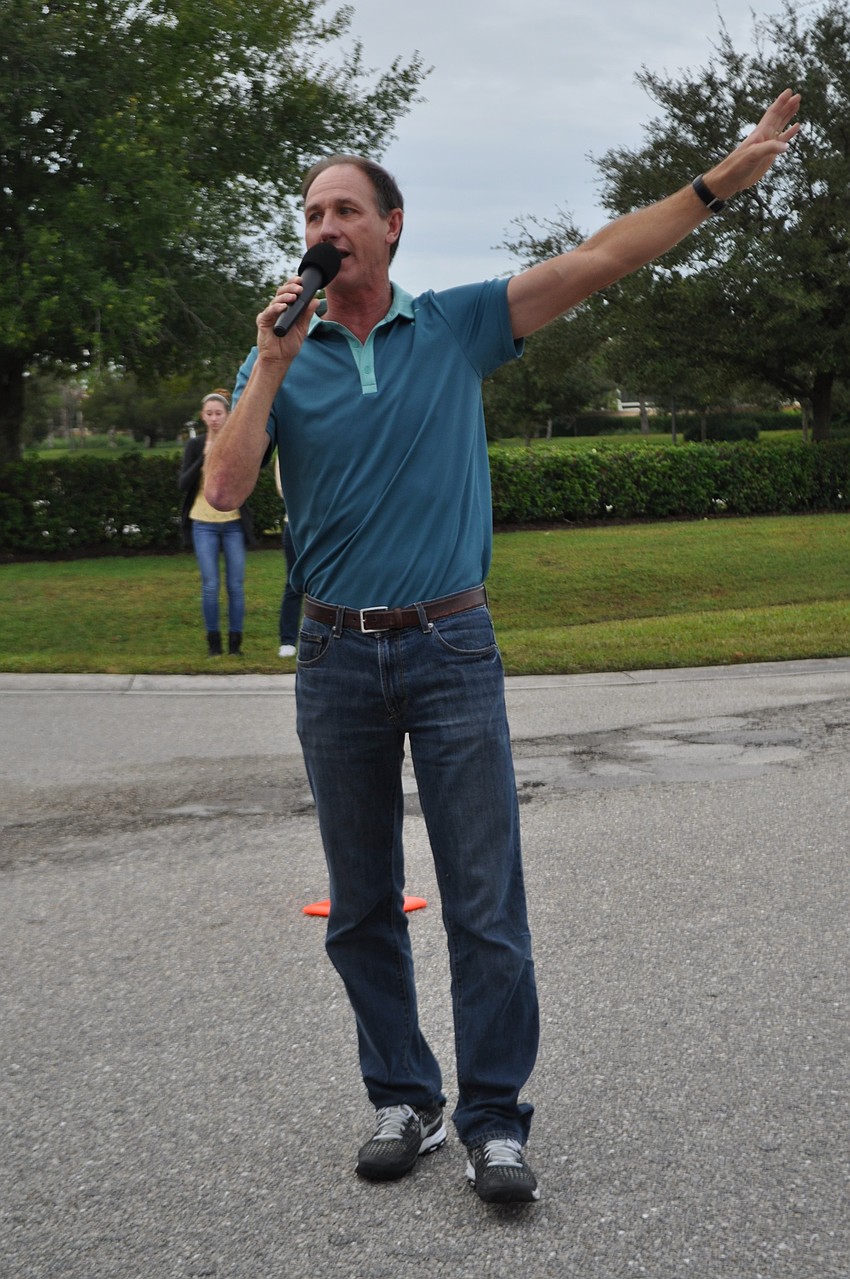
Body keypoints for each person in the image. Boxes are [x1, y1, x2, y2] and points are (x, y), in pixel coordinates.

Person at [204, 90, 800, 1203]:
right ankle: (403, 1099)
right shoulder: (276, 358)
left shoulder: (461, 324)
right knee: (363, 900)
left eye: (344, 208)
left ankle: (493, 1120)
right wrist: (271, 367)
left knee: (483, 901)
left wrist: (718, 183)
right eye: (310, 210)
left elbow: (599, 258)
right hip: (336, 658)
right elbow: (224, 489)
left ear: (390, 227)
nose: (323, 224)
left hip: (450, 645)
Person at [179, 390, 263, 657]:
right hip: (203, 522)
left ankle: (235, 645)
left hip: (233, 523)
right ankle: (214, 645)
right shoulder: (195, 445)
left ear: (228, 415)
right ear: (203, 416)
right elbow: (182, 484)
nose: (214, 419)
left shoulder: (237, 443)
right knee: (210, 584)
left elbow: (251, 474)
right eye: (209, 414)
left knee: (236, 586)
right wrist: (206, 456)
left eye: (219, 413)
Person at [274, 456, 302, 658]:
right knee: (294, 584)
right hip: (295, 526)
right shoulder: (287, 449)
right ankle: (288, 640)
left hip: (329, 527)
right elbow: (284, 489)